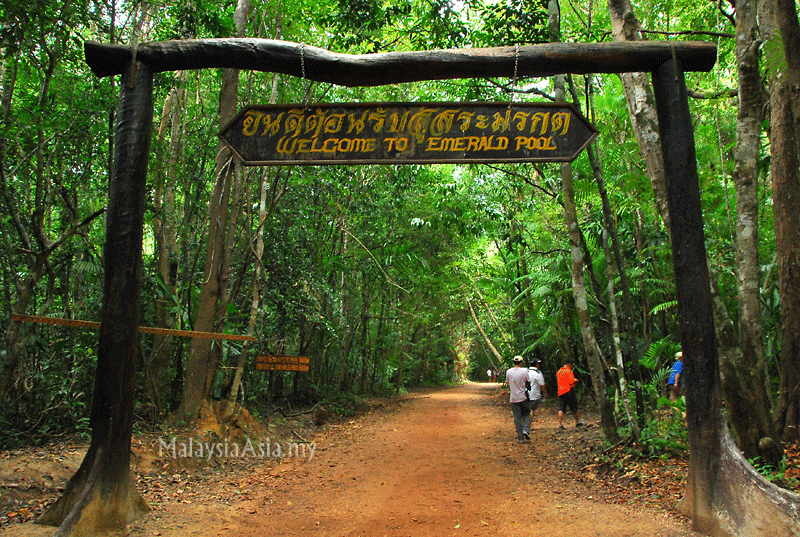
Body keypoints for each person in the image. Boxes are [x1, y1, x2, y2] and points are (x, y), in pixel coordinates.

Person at [506, 355, 531, 442]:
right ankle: (526, 430)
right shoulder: (525, 370)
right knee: (527, 414)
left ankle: (520, 438)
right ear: (521, 362)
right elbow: (529, 380)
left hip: (513, 398)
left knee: (517, 418)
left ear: (514, 362)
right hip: (523, 397)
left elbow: (507, 382)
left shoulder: (509, 371)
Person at [556, 358, 584, 429]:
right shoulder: (569, 371)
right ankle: (577, 422)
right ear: (569, 364)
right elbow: (571, 381)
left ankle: (560, 424)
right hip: (568, 390)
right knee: (574, 407)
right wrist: (576, 380)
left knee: (561, 408)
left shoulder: (559, 371)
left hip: (561, 391)